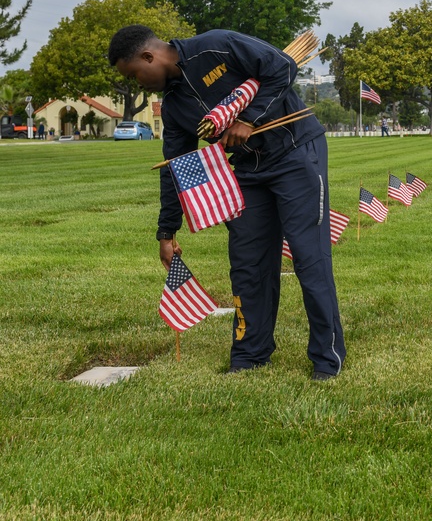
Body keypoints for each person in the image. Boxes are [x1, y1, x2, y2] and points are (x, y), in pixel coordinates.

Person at [108, 25, 345, 381]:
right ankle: (250, 354)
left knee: (308, 257)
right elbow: (176, 167)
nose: (137, 84)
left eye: (134, 75)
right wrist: (166, 230)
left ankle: (327, 358)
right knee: (248, 263)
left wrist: (250, 119)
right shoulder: (174, 107)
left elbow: (282, 66)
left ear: (148, 56)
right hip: (247, 171)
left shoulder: (215, 46)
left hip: (295, 152)